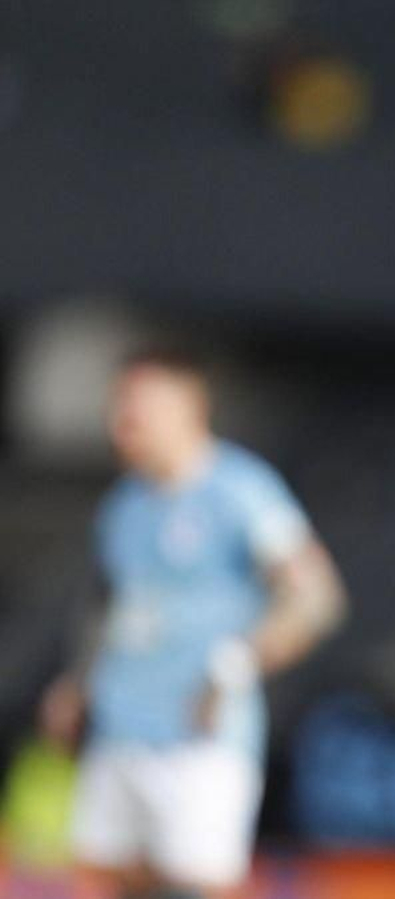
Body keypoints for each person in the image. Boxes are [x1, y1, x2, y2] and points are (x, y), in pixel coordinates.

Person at [37, 347, 346, 899]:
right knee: (105, 878)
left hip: (199, 737)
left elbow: (316, 596)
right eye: (120, 406)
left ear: (187, 408)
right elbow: (111, 607)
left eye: (137, 406)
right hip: (120, 729)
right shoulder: (124, 506)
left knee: (202, 884)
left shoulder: (240, 491)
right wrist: (78, 684)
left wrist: (235, 665)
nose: (121, 423)